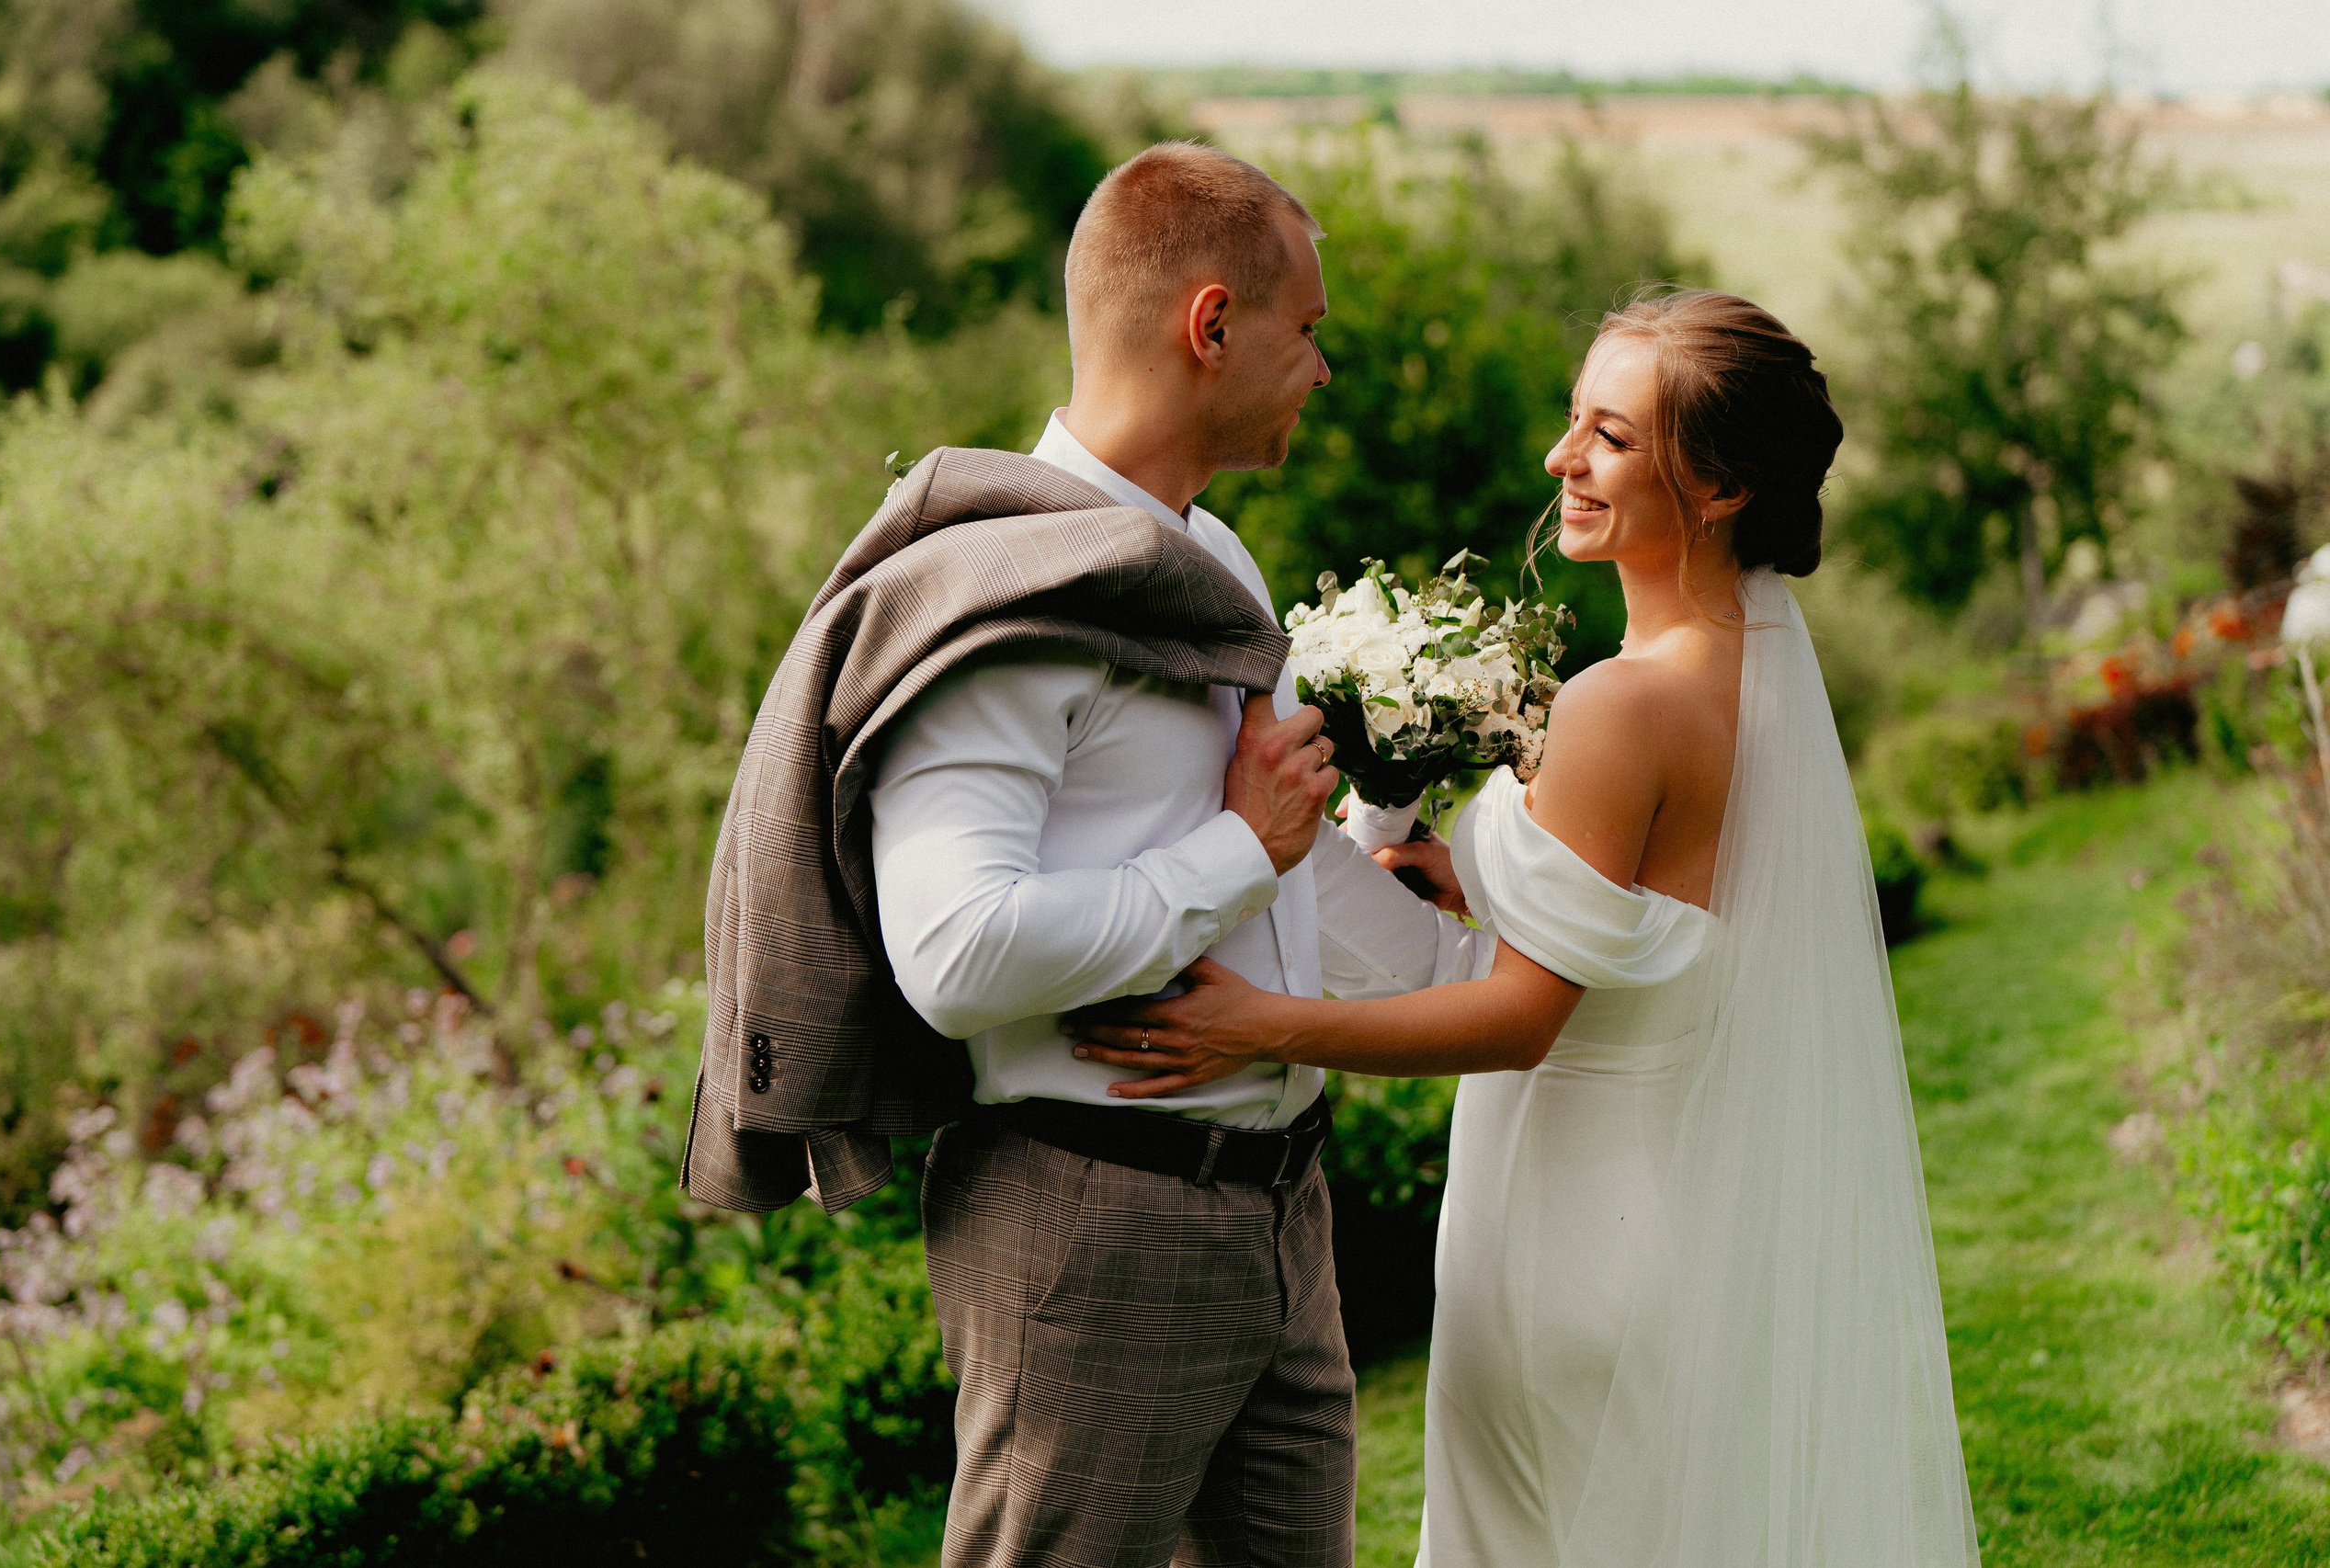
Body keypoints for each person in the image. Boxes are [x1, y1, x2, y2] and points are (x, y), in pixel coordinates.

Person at [1064, 290, 1983, 1567]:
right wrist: (1477, 877)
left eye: (1608, 437)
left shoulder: (1625, 704)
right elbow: (1653, 921)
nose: (1562, 462)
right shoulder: (1752, 673)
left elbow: (1521, 1020)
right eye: (1573, 422)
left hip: (1570, 1243)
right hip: (1668, 1225)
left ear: (1716, 487)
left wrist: (1255, 1024)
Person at [687, 141, 1492, 1568]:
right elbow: (959, 955)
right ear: (1211, 325)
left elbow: (1290, 875)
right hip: (1097, 1225)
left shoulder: (1216, 565)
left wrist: (1471, 966)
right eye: (1308, 331)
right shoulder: (1013, 603)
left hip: (1280, 1212)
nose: (1323, 368)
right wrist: (1241, 846)